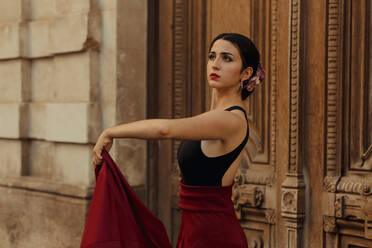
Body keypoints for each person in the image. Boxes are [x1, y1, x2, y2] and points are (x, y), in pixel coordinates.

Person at [91, 33, 265, 248]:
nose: (215, 64)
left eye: (227, 58)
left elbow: (165, 130)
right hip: (195, 233)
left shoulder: (230, 120)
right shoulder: (213, 117)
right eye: (212, 57)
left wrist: (110, 132)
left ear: (245, 73)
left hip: (215, 237)